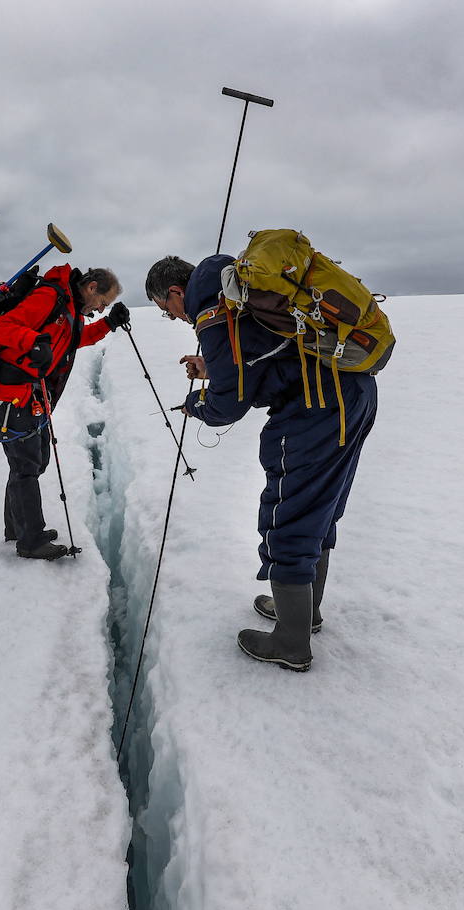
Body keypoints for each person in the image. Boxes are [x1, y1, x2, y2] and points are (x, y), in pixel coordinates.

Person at [145, 254, 377, 671]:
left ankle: (291, 642)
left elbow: (229, 405)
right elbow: (266, 356)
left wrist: (197, 404)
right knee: (319, 509)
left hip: (316, 408)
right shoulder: (236, 293)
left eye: (167, 309)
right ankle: (304, 613)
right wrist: (214, 368)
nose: (174, 317)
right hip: (350, 394)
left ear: (176, 292)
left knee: (289, 517)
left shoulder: (213, 311)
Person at [0, 265, 128, 560]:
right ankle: (30, 541)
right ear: (92, 287)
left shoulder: (70, 307)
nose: (101, 309)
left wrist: (108, 324)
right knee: (26, 465)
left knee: (35, 462)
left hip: (35, 394)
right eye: (103, 303)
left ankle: (17, 528)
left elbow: (75, 339)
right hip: (15, 393)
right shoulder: (50, 297)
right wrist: (33, 342)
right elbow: (1, 328)